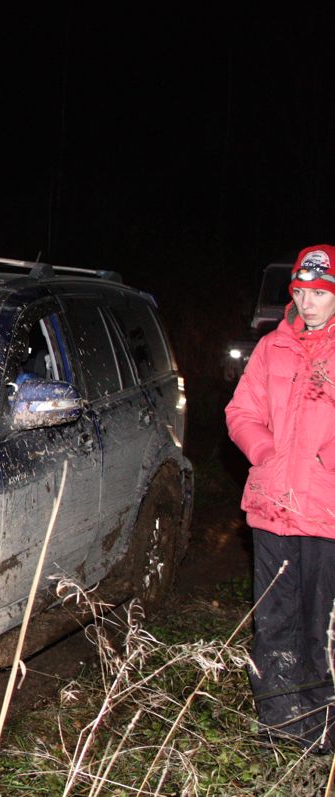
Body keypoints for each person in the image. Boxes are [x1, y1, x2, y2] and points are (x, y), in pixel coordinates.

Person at [226, 243, 335, 752]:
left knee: (320, 628)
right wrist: (266, 452)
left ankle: (324, 732)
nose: (307, 302)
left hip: (327, 514)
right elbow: (241, 411)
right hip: (272, 509)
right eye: (300, 291)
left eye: (320, 293)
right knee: (273, 625)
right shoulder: (273, 346)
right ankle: (281, 731)